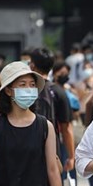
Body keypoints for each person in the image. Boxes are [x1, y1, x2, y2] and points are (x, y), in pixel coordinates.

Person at [30, 48, 75, 176]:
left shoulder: (24, 90)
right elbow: (66, 128)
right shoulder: (59, 92)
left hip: (25, 150)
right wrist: (71, 156)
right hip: (53, 151)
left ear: (32, 65)